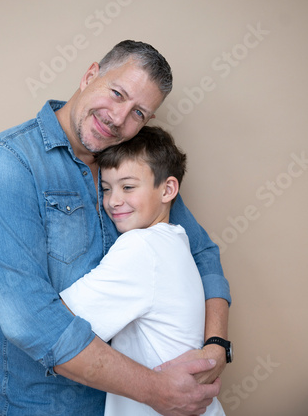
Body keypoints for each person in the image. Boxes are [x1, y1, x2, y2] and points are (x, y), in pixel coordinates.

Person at [0, 40, 231, 416]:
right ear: (91, 74)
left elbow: (202, 253)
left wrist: (217, 344)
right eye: (116, 93)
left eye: (138, 113)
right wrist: (154, 389)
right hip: (45, 406)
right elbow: (30, 320)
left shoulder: (131, 165)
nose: (118, 118)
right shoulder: (9, 162)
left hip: (126, 406)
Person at [60, 125, 226, 416]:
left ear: (168, 189)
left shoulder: (141, 248)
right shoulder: (175, 239)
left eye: (128, 187)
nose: (113, 201)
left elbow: (58, 322)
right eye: (106, 188)